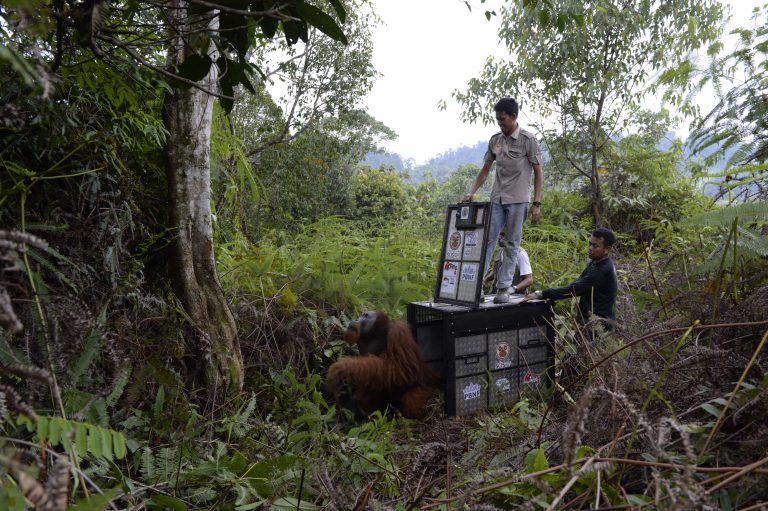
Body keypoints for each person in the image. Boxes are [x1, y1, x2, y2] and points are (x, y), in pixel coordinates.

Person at [462, 97, 543, 304]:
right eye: (498, 120)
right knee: (487, 241)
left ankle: (503, 288)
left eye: (503, 119)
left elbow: (538, 171)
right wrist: (472, 191)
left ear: (514, 117)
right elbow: (486, 169)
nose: (500, 123)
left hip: (518, 200)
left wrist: (536, 203)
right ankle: (476, 287)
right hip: (497, 198)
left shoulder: (528, 140)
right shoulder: (495, 140)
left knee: (511, 243)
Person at [522, 227, 618, 326]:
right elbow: (579, 284)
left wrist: (541, 294)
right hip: (591, 320)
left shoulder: (601, 270)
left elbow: (573, 290)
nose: (590, 248)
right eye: (590, 244)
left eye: (595, 246)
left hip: (598, 324)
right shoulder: (597, 262)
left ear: (607, 249)